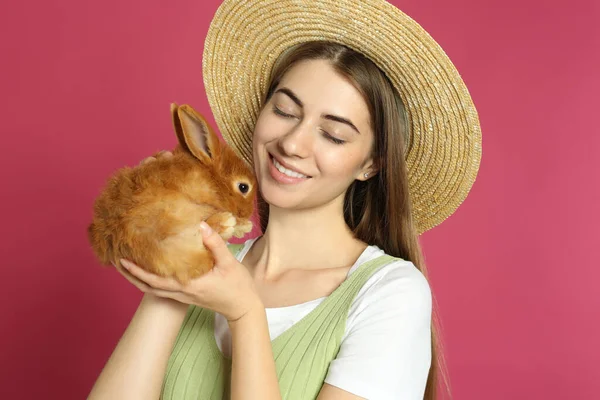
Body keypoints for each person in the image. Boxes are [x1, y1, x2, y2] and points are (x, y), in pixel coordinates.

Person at [88, 0, 482, 399]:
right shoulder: (207, 259)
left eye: (333, 135)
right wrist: (172, 272)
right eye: (284, 110)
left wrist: (245, 312)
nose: (292, 143)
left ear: (372, 165)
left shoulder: (390, 293)